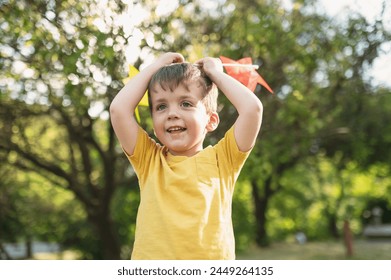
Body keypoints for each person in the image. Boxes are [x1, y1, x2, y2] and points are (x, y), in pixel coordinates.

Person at [110, 52, 263, 259]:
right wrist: (156, 67)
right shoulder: (149, 160)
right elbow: (119, 109)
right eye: (161, 106)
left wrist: (215, 74)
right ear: (154, 124)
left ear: (211, 120)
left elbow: (252, 109)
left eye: (186, 104)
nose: (172, 113)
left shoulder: (224, 159)